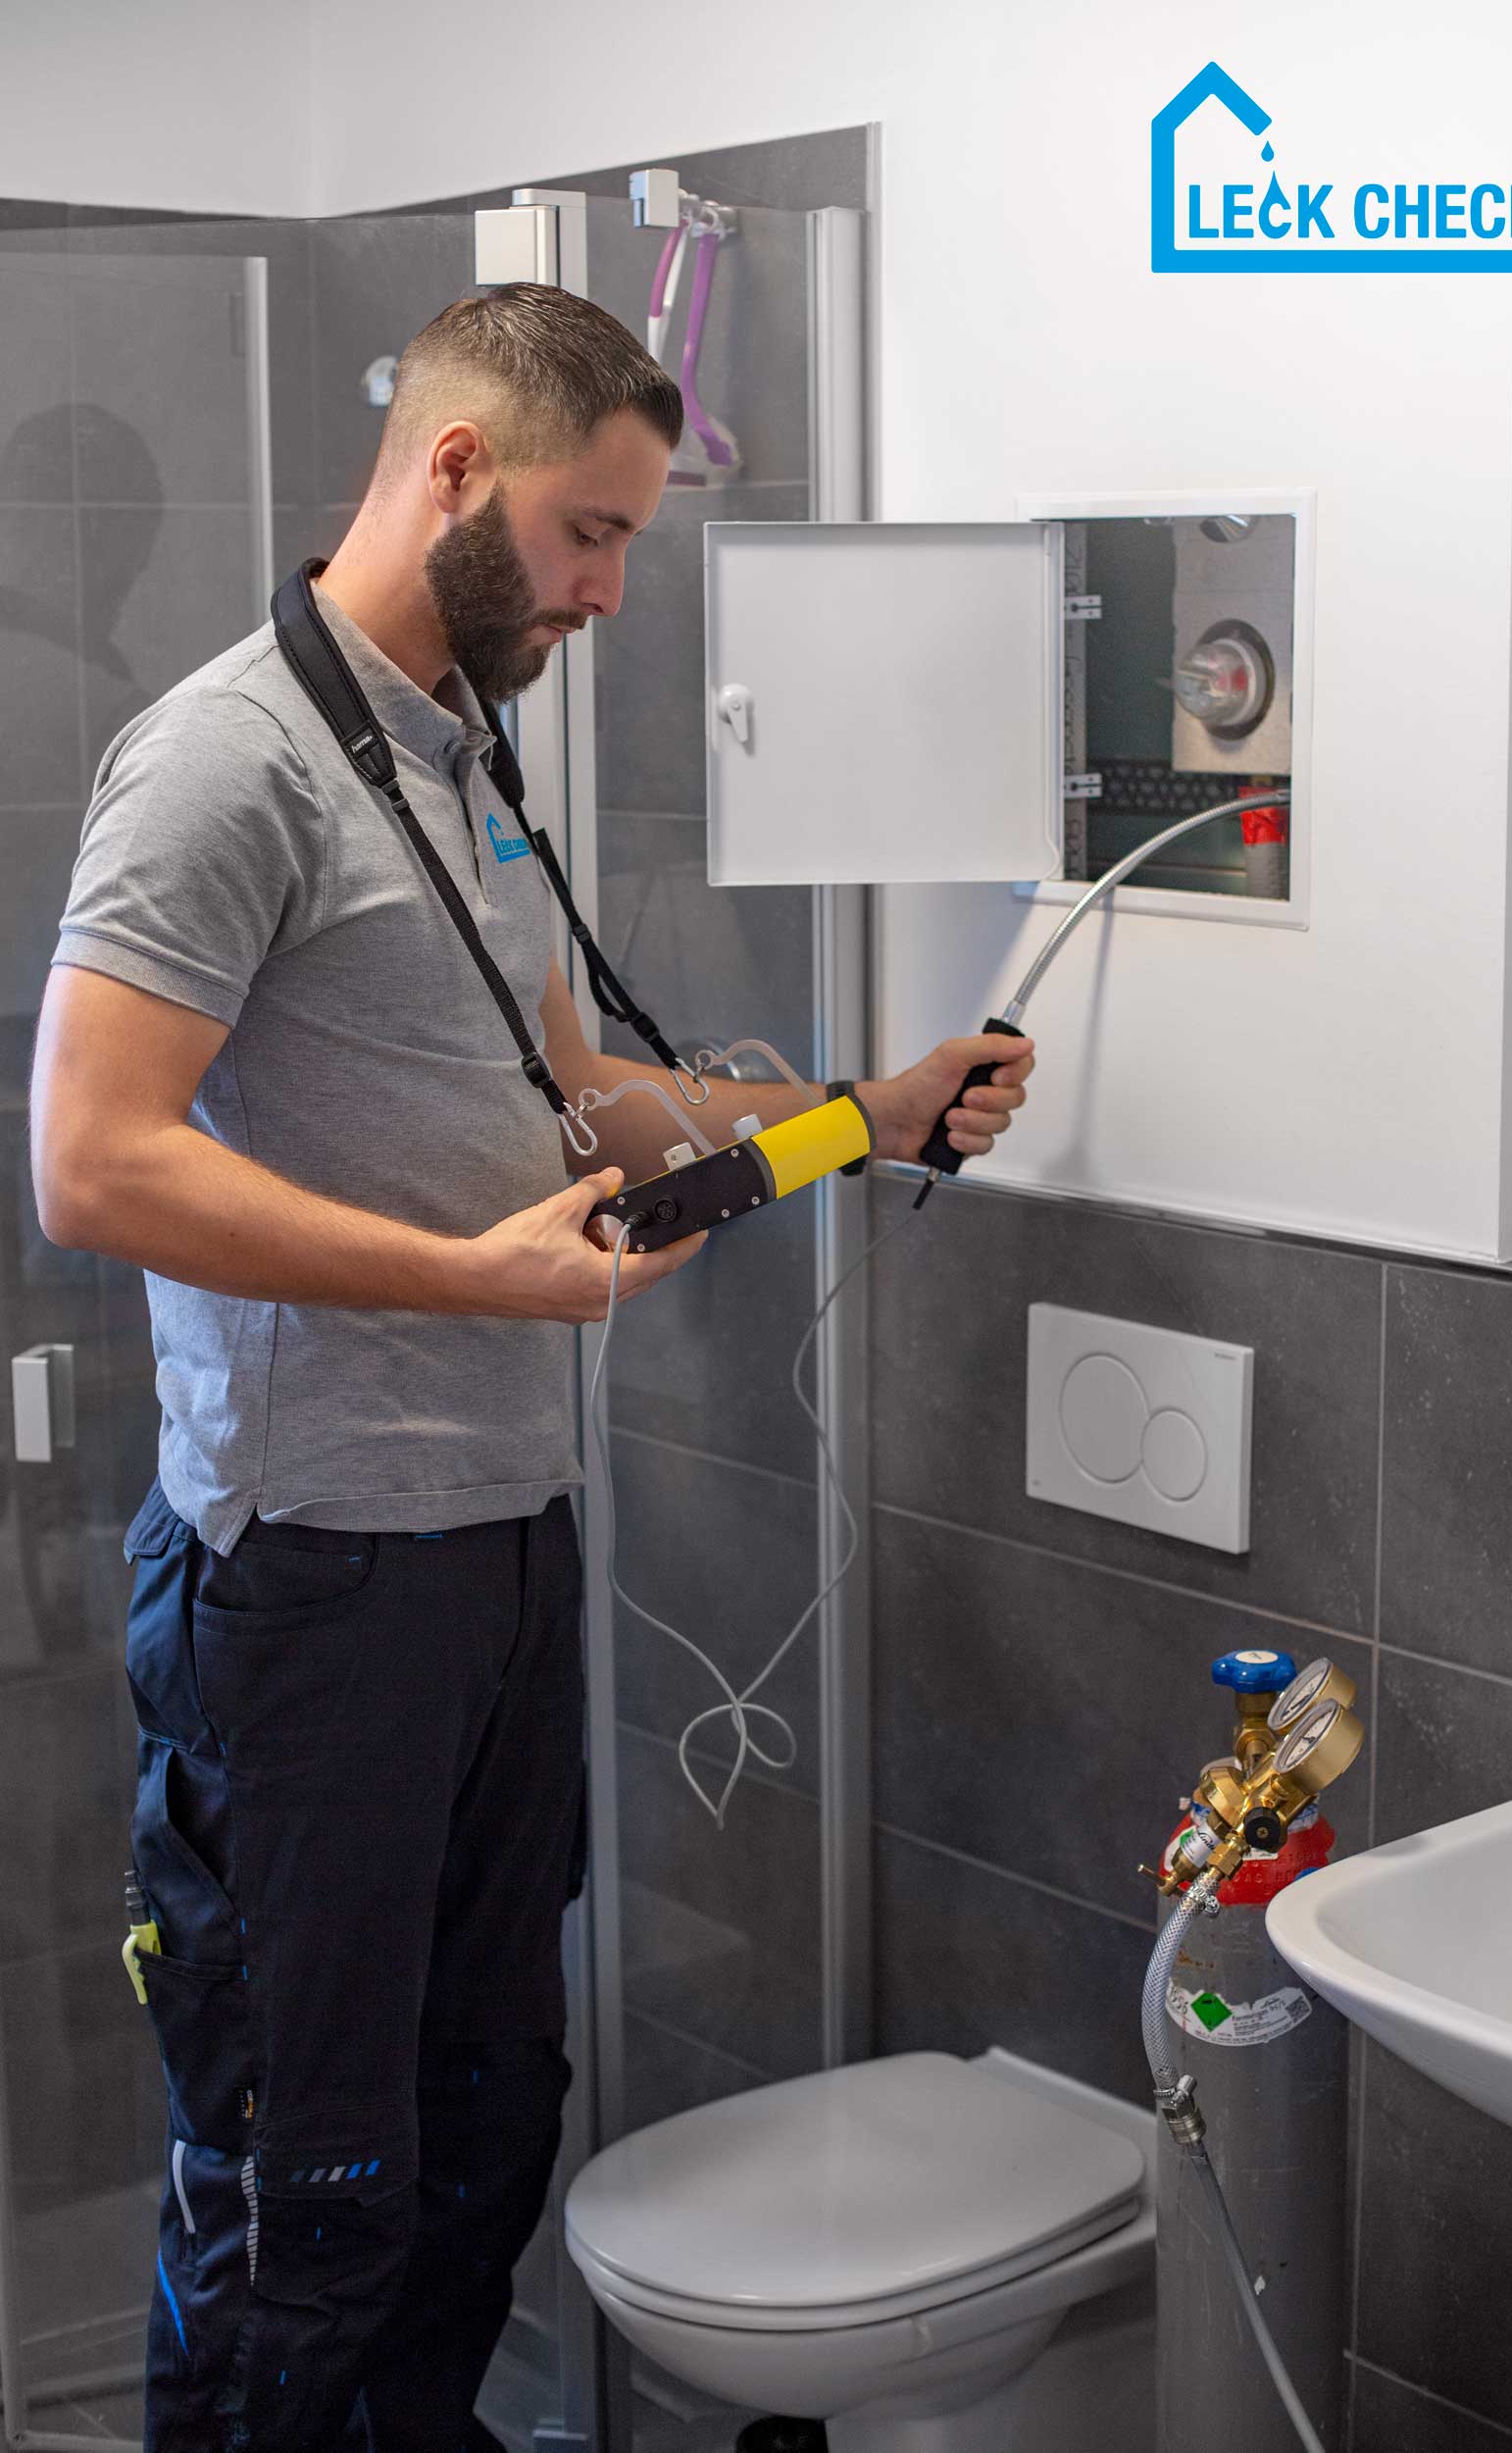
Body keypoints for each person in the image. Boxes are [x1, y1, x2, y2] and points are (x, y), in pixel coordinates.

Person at [28, 281, 1034, 2452]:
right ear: (461, 468)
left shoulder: (459, 750)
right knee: (311, 2184)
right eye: (594, 535)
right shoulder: (225, 757)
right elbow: (90, 1164)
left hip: (497, 1548)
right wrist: (468, 1285)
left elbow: (568, 1095)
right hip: (308, 1589)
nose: (604, 590)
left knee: (490, 2126)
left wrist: (864, 1107)